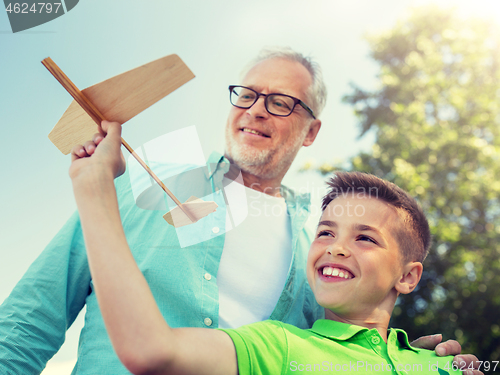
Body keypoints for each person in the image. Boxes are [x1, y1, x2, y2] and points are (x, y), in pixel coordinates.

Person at [0, 48, 477, 374]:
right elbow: (30, 319)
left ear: (311, 132)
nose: (256, 110)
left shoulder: (318, 235)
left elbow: (335, 345)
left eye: (281, 102)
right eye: (247, 95)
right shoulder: (142, 182)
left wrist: (398, 358)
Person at [67, 129, 470, 374]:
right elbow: (150, 350)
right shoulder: (278, 347)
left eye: (365, 238)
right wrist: (95, 190)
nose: (336, 249)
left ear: (408, 275)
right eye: (326, 233)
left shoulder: (438, 364)